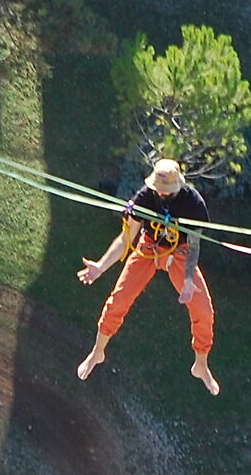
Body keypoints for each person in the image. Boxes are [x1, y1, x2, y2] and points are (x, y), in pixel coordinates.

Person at [77, 157, 220, 395]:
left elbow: (194, 246)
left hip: (180, 253)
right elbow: (126, 239)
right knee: (118, 300)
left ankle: (201, 365)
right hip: (149, 247)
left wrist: (187, 280)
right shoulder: (144, 197)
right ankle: (97, 352)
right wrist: (101, 267)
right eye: (158, 190)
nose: (161, 194)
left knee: (203, 310)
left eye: (167, 191)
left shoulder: (194, 204)